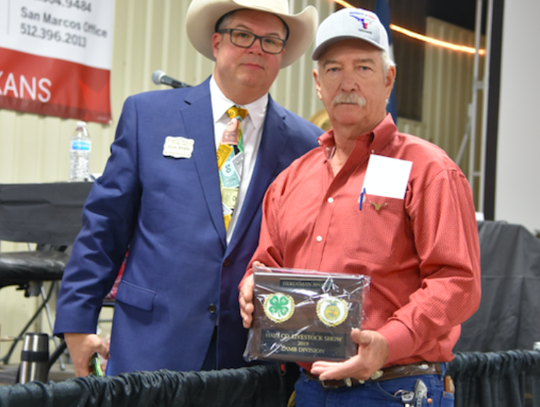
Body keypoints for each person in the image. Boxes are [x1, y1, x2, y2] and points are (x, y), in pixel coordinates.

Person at [54, 0, 323, 377]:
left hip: (253, 361)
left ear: (283, 54)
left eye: (271, 41)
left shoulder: (307, 145)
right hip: (151, 346)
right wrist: (77, 322)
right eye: (243, 34)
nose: (256, 49)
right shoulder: (148, 117)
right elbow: (104, 227)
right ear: (216, 42)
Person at [239, 7, 481, 406]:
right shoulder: (290, 181)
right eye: (333, 69)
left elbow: (458, 284)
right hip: (309, 390)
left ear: (389, 79)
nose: (347, 82)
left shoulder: (429, 170)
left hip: (395, 389)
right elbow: (264, 265)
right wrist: (251, 287)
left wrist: (389, 341)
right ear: (318, 83)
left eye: (364, 68)